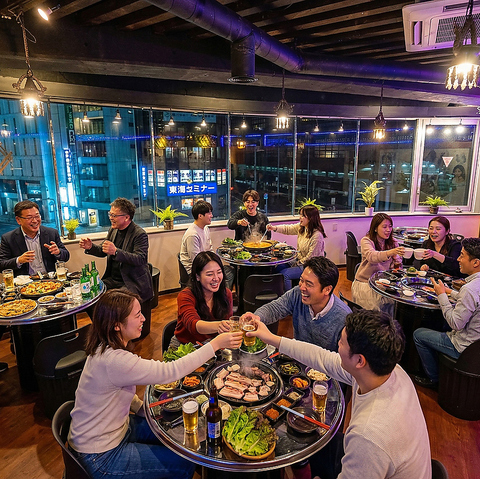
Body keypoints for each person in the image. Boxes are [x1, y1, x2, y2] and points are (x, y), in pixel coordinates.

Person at [68, 289, 242, 479]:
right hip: (99, 455)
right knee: (184, 462)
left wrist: (140, 408)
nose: (144, 319)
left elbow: (117, 391)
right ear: (116, 325)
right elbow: (170, 371)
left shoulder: (103, 346)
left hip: (116, 429)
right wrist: (215, 344)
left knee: (178, 437)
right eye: (137, 315)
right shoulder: (114, 360)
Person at [246, 310, 431, 479]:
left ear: (359, 361)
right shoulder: (390, 371)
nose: (337, 345)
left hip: (370, 458)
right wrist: (271, 338)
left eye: (341, 342)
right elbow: (323, 358)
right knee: (317, 443)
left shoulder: (368, 436)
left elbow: (366, 446)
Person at [241, 256, 351, 351]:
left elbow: (342, 361)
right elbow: (275, 308)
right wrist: (257, 317)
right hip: (296, 361)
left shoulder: (343, 318)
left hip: (323, 368)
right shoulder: (297, 294)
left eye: (309, 284)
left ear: (327, 289)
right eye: (301, 280)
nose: (302, 287)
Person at [413, 237, 480, 388]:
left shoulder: (469, 289)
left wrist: (442, 295)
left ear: (475, 262)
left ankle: (434, 380)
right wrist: (449, 292)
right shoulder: (473, 287)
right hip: (477, 344)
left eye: (462, 255)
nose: (458, 259)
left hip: (465, 348)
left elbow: (455, 324)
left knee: (418, 334)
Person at [79, 198, 153, 306]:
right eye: (110, 214)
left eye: (114, 215)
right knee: (91, 298)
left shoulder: (139, 234)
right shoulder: (113, 230)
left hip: (131, 282)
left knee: (113, 304)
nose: (110, 218)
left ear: (126, 217)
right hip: (112, 280)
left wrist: (116, 252)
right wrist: (90, 247)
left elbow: (140, 259)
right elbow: (103, 250)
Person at [173, 252, 233, 347]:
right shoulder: (185, 296)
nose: (216, 278)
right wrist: (220, 325)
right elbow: (193, 324)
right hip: (185, 345)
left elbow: (228, 323)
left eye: (219, 272)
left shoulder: (226, 293)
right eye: (209, 274)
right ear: (197, 277)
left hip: (213, 343)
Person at [351, 213, 404, 315]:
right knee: (373, 315)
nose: (388, 230)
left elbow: (395, 268)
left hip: (385, 284)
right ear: (375, 228)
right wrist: (391, 252)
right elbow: (372, 257)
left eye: (390, 226)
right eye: (384, 227)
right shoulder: (366, 240)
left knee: (396, 307)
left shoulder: (393, 242)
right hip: (366, 283)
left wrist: (397, 261)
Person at [0, 200, 70, 277]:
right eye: (29, 217)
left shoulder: (51, 233)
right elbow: (1, 265)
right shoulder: (8, 238)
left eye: (37, 216)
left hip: (50, 280)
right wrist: (18, 260)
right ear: (18, 220)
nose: (35, 221)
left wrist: (58, 252)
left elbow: (66, 256)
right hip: (25, 282)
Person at [267, 205, 326, 290]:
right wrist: (274, 228)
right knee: (278, 267)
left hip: (311, 266)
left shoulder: (317, 236)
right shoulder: (302, 227)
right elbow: (288, 228)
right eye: (300, 214)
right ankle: (277, 291)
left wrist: (295, 264)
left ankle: (290, 297)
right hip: (300, 261)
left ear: (310, 218)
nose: (300, 217)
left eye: (303, 216)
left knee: (285, 274)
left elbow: (311, 258)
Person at [179, 200, 234, 288]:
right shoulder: (192, 235)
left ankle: (219, 294)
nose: (211, 216)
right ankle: (218, 294)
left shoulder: (205, 229)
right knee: (226, 274)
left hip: (205, 264)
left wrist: (216, 263)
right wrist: (213, 268)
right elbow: (196, 261)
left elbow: (209, 249)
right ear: (200, 216)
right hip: (195, 270)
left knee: (229, 270)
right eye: (209, 213)